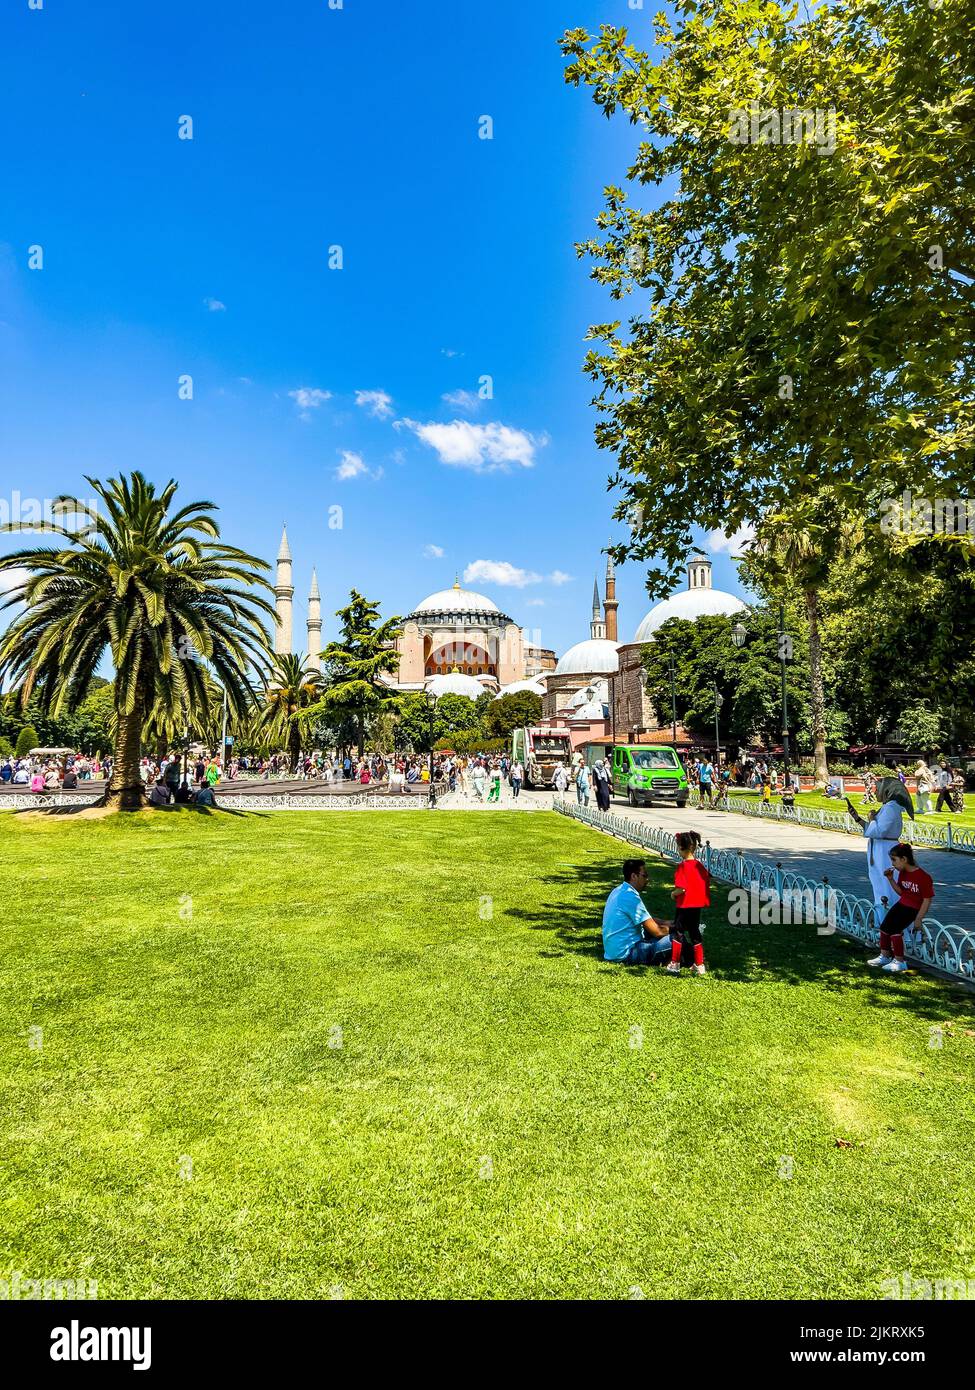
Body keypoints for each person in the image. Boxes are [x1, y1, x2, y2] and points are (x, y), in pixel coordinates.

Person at [866, 844, 934, 974]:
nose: (892, 863)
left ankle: (900, 961)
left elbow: (927, 899)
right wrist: (891, 879)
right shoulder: (903, 873)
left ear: (904, 859)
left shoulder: (923, 877)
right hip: (902, 904)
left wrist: (919, 918)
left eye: (894, 860)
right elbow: (902, 892)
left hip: (912, 908)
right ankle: (885, 956)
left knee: (895, 929)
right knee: (885, 927)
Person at [847, 777, 913, 909]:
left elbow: (879, 832)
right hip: (879, 848)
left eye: (877, 789)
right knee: (879, 882)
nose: (875, 792)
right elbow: (874, 831)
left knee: (885, 883)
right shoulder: (886, 808)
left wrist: (871, 818)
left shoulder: (891, 808)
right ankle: (882, 914)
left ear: (886, 790)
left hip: (885, 852)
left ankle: (888, 913)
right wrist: (857, 818)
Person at [602, 859, 673, 966]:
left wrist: (669, 922)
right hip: (627, 954)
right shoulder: (630, 896)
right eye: (644, 875)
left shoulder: (619, 890)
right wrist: (678, 928)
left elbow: (647, 919)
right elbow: (657, 932)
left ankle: (674, 958)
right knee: (675, 939)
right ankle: (679, 959)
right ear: (634, 876)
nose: (647, 879)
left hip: (613, 953)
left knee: (657, 933)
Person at [666, 830, 710, 976]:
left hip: (684, 906)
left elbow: (682, 888)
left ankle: (675, 962)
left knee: (678, 932)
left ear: (682, 848)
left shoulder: (683, 867)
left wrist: (673, 894)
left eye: (678, 847)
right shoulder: (699, 866)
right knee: (694, 932)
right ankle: (699, 964)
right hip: (696, 906)